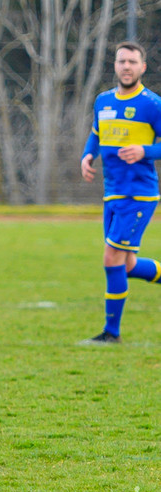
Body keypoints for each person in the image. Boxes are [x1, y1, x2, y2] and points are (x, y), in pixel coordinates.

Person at [80, 41, 161, 344]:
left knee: (111, 257)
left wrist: (146, 150)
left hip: (139, 194)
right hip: (112, 193)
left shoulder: (152, 104)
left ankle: (110, 334)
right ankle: (110, 333)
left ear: (143, 67)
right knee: (125, 265)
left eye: (132, 62)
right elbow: (96, 133)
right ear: (115, 65)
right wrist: (87, 156)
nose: (126, 66)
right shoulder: (103, 101)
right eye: (121, 61)